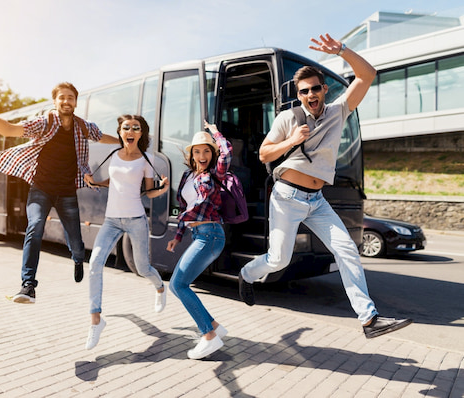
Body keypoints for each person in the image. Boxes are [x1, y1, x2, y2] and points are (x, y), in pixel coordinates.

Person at [238, 34, 413, 339]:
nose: (311, 94)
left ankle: (369, 319)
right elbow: (264, 154)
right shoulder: (287, 118)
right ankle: (246, 274)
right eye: (304, 91)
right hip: (287, 197)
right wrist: (292, 140)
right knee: (278, 259)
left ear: (324, 89)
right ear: (299, 95)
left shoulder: (338, 111)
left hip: (317, 200)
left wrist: (343, 51)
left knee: (347, 250)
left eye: (316, 88)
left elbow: (367, 75)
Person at [0, 82, 119, 304]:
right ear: (55, 101)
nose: (66, 101)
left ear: (75, 103)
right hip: (41, 189)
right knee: (35, 225)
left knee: (77, 243)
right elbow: (11, 130)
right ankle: (28, 285)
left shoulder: (83, 127)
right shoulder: (45, 122)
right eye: (62, 97)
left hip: (67, 191)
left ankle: (78, 259)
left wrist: (126, 145)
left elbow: (102, 137)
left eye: (70, 98)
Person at [84, 114, 170, 350]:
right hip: (111, 220)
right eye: (126, 128)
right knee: (94, 264)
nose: (130, 131)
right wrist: (95, 182)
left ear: (141, 134)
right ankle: (95, 321)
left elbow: (149, 192)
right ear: (120, 132)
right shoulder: (113, 155)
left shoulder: (146, 159)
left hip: (136, 220)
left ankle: (160, 287)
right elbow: (114, 182)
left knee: (142, 268)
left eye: (136, 128)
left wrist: (163, 189)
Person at [166, 121, 232, 359]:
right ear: (191, 154)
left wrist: (214, 132)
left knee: (178, 285)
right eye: (197, 151)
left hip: (212, 234)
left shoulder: (215, 174)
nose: (202, 155)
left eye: (207, 151)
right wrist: (177, 236)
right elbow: (185, 206)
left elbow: (227, 151)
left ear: (211, 154)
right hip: (199, 234)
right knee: (178, 284)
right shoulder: (187, 176)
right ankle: (213, 327)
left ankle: (209, 336)